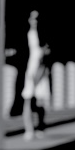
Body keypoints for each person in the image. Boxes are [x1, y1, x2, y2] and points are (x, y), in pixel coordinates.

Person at [21, 11, 51, 140]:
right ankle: (29, 129)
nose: (35, 21)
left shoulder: (43, 37)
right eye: (33, 18)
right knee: (28, 100)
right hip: (31, 72)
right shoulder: (29, 35)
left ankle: (40, 127)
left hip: (40, 73)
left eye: (37, 18)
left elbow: (44, 59)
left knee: (40, 102)